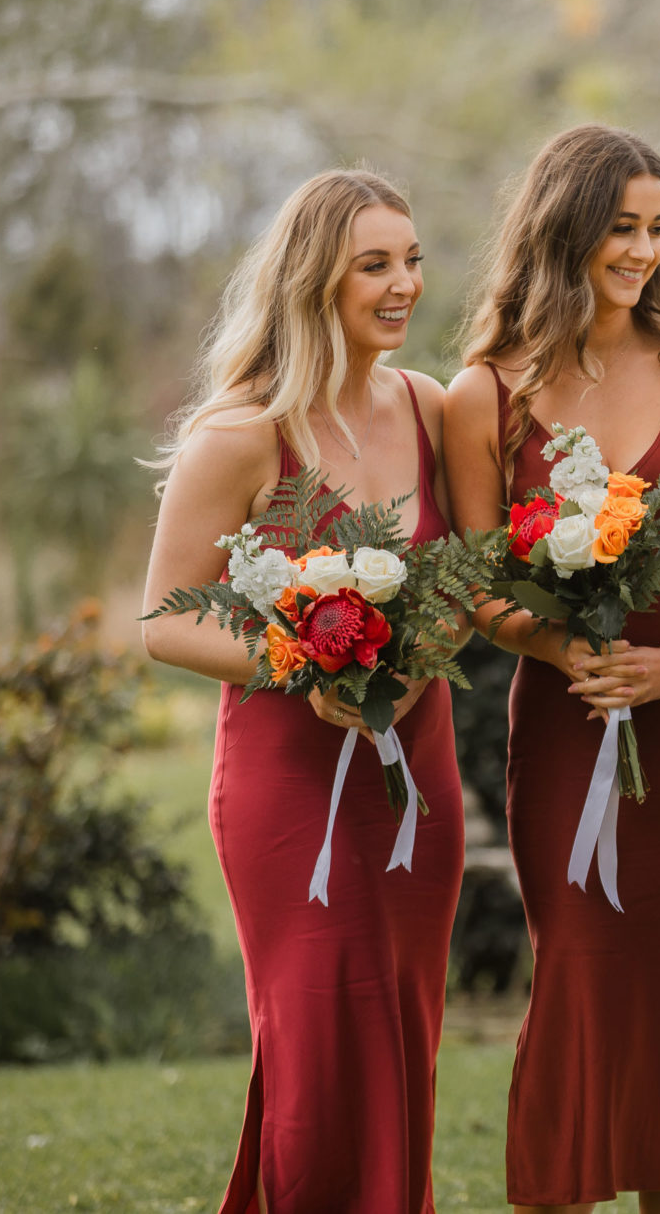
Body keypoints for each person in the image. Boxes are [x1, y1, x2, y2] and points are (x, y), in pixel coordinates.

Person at [442, 123, 660, 1214]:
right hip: (568, 736)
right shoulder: (483, 395)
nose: (643, 251)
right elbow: (475, 583)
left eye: (656, 229)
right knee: (589, 992)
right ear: (563, 231)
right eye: (620, 228)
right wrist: (568, 649)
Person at [140, 170, 462, 1213]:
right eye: (375, 263)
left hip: (417, 774)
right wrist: (303, 665)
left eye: (410, 259)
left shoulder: (431, 407)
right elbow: (164, 621)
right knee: (317, 1043)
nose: (403, 282)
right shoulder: (238, 434)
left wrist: (416, 657)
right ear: (313, 277)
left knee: (402, 1038)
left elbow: (463, 575)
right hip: (286, 783)